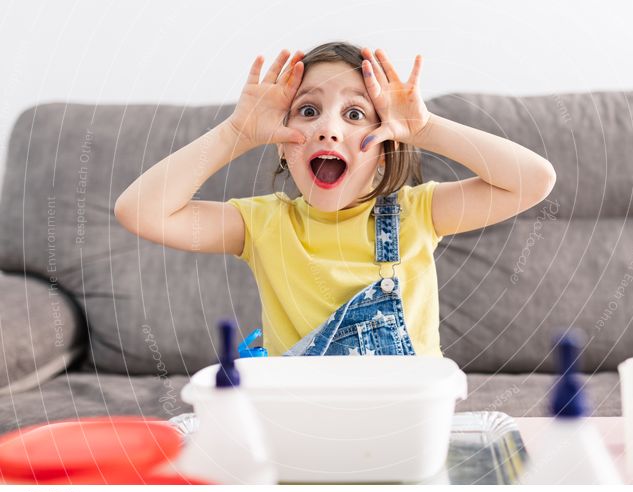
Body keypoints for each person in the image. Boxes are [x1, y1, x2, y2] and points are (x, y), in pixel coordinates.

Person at [114, 41, 556, 357]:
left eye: (355, 114)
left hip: (403, 420)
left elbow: (533, 180)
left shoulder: (419, 214)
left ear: (386, 147)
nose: (328, 128)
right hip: (303, 423)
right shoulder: (263, 224)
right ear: (284, 146)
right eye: (308, 111)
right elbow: (140, 212)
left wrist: (425, 130)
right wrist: (235, 133)